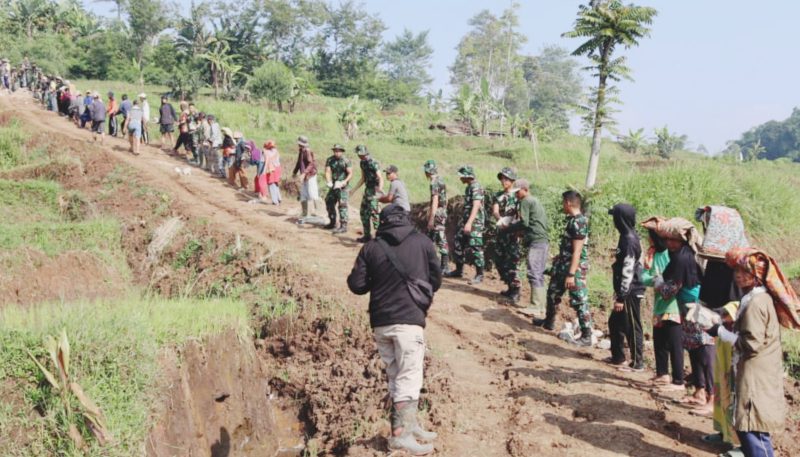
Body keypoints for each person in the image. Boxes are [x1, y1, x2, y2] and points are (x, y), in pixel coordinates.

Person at [346, 204, 441, 456]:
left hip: (381, 322)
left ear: (383, 221)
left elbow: (356, 285)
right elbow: (436, 279)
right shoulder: (423, 242)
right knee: (409, 376)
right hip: (409, 321)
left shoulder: (372, 247)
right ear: (406, 220)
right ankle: (401, 436)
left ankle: (408, 425)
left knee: (396, 375)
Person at [705, 248, 800, 457]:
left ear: (757, 275)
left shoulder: (756, 303)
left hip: (756, 374)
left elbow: (751, 344)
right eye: (736, 271)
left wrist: (719, 331)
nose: (738, 275)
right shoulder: (756, 298)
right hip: (757, 371)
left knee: (752, 429)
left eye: (744, 272)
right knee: (751, 428)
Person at [533, 190, 593, 346]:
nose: (562, 206)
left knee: (579, 300)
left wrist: (571, 274)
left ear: (568, 203)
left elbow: (578, 251)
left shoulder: (579, 222)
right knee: (552, 293)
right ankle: (549, 322)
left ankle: (586, 335)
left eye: (563, 202)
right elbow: (569, 247)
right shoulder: (573, 220)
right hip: (563, 265)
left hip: (574, 269)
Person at [655, 217, 706, 395]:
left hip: (693, 308)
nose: (669, 243)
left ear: (682, 239)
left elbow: (670, 291)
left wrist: (658, 283)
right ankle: (699, 389)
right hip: (690, 306)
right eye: (667, 239)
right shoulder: (684, 254)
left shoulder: (681, 259)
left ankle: (697, 388)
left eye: (673, 240)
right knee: (693, 347)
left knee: (697, 348)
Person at [640, 219, 684, 388]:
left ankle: (678, 379)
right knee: (659, 340)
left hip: (673, 304)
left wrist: (659, 280)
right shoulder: (652, 255)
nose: (648, 240)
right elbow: (644, 277)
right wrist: (656, 279)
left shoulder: (670, 255)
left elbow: (672, 279)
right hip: (659, 304)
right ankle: (662, 374)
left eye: (650, 236)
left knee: (674, 343)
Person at [500, 179, 549, 313]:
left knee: (534, 272)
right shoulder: (534, 201)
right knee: (538, 273)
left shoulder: (526, 201)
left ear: (525, 189)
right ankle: (540, 307)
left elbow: (524, 223)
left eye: (518, 192)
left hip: (536, 241)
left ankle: (536, 306)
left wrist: (508, 228)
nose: (516, 195)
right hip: (541, 240)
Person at [607, 204, 645, 371]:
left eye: (615, 217)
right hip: (626, 290)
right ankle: (618, 357)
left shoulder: (629, 240)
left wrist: (622, 296)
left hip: (631, 291)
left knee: (632, 326)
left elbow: (628, 269)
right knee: (615, 323)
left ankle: (638, 363)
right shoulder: (625, 236)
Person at [444, 165, 486, 285]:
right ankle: (458, 270)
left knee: (476, 247)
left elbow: (476, 205)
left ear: (468, 176)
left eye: (462, 176)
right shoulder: (469, 187)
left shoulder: (476, 187)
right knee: (458, 241)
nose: (460, 179)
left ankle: (479, 274)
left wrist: (469, 223)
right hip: (467, 221)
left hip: (475, 223)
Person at [492, 167, 522, 303]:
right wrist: (500, 219)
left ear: (512, 180)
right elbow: (495, 210)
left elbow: (521, 214)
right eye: (502, 178)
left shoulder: (518, 195)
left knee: (512, 262)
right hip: (501, 232)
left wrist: (515, 227)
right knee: (499, 260)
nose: (503, 181)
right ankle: (509, 286)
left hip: (513, 234)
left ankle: (516, 290)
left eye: (506, 179)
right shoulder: (498, 195)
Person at [350, 145, 383, 242]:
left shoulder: (373, 163)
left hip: (374, 191)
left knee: (375, 214)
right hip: (367, 191)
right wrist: (353, 189)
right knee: (363, 213)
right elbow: (363, 178)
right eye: (359, 154)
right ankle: (367, 235)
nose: (360, 156)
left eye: (361, 154)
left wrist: (379, 192)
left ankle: (379, 237)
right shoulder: (362, 163)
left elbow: (380, 178)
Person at [423, 160, 449, 274]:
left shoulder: (434, 182)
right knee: (430, 238)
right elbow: (446, 198)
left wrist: (432, 217)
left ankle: (444, 266)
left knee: (440, 237)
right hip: (442, 211)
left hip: (437, 212)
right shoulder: (441, 180)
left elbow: (435, 200)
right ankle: (431, 263)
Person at [323, 144, 353, 233]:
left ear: (342, 151)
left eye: (339, 151)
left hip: (343, 186)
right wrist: (329, 181)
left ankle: (343, 225)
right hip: (334, 185)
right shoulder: (330, 160)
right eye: (335, 151)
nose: (337, 152)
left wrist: (344, 181)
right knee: (329, 201)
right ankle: (332, 222)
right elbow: (328, 171)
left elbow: (350, 173)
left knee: (342, 205)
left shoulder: (346, 160)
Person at [292, 136, 320, 219]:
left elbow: (311, 164)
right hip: (304, 175)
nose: (298, 145)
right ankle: (304, 213)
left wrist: (304, 173)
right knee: (303, 194)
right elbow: (299, 162)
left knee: (312, 193)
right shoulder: (301, 151)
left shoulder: (307, 151)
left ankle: (316, 211)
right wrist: (294, 172)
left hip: (310, 175)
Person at [263, 141, 282, 205]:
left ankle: (275, 201)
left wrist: (264, 171)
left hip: (271, 169)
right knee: (276, 183)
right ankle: (279, 198)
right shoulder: (276, 151)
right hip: (278, 168)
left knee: (271, 184)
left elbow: (266, 162)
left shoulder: (266, 152)